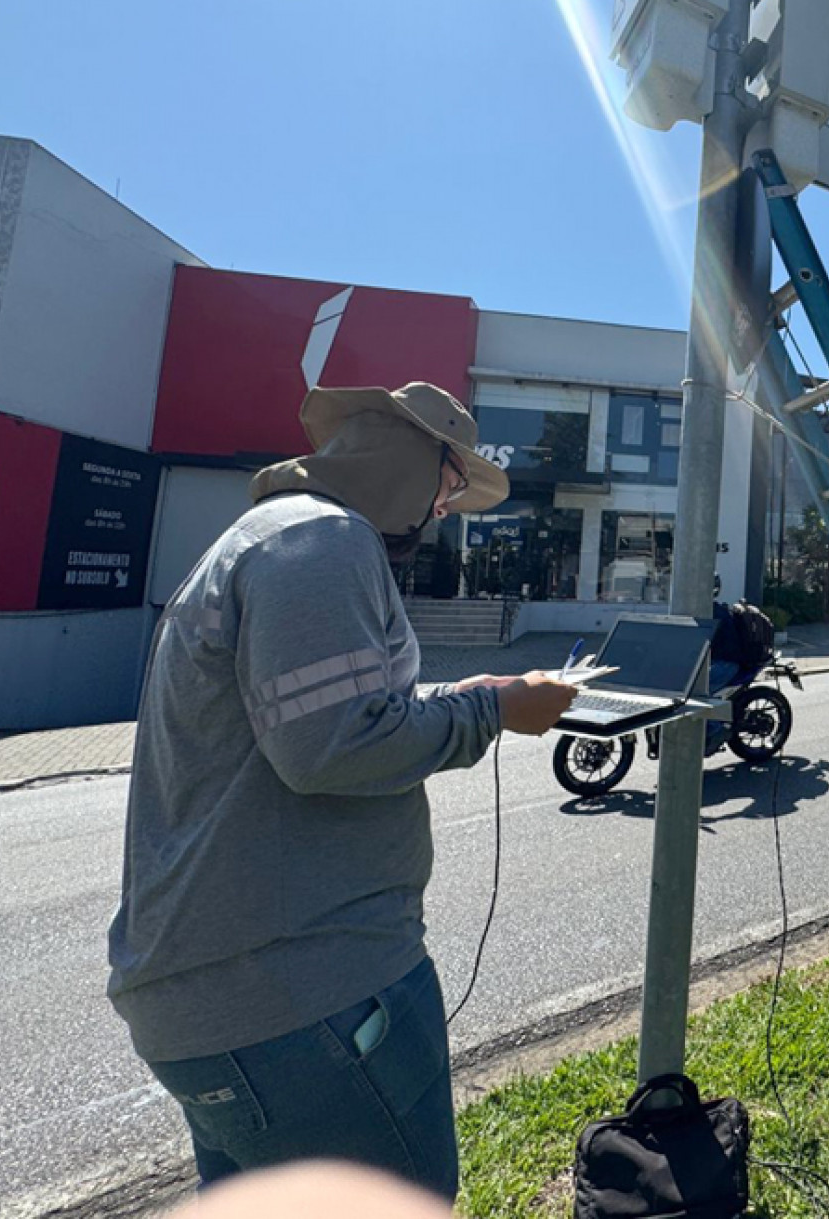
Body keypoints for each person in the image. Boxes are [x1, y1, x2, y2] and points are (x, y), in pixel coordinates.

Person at [107, 382, 581, 1200]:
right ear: (411, 462)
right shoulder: (324, 542)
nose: (446, 506)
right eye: (449, 482)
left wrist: (463, 694)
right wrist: (495, 709)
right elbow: (331, 748)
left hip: (233, 997)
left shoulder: (273, 535)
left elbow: (328, 717)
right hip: (304, 995)